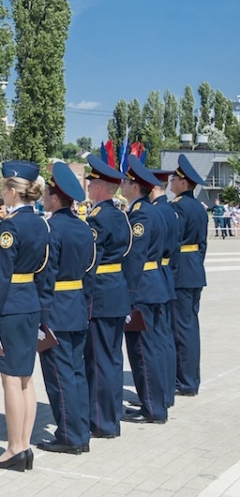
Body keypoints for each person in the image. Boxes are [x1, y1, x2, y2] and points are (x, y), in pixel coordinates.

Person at [0, 161, 49, 472]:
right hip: (31, 304)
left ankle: (15, 448)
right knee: (26, 378)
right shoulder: (41, 224)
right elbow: (46, 274)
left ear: (11, 191)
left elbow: (2, 277)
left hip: (11, 306)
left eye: (2, 189)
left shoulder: (10, 226)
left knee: (10, 379)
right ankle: (25, 445)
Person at [36, 162, 95, 455]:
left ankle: (69, 435)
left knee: (59, 378)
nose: (44, 197)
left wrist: (41, 316)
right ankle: (81, 431)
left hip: (56, 311)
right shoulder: (84, 228)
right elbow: (89, 270)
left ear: (55, 198)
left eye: (47, 193)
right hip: (77, 308)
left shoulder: (50, 229)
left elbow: (46, 274)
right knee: (77, 374)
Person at [82, 154, 132, 439]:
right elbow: (126, 254)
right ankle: (112, 416)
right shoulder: (121, 216)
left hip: (99, 294)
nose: (89, 189)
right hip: (117, 290)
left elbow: (90, 262)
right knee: (113, 358)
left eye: (91, 185)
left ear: (100, 188)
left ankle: (101, 422)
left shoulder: (98, 218)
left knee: (99, 360)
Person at [120, 155, 170, 424]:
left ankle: (152, 409)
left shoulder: (140, 215)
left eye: (127, 181)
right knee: (152, 349)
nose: (123, 184)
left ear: (136, 186)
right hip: (154, 285)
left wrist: (126, 297)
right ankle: (156, 404)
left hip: (142, 290)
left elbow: (135, 259)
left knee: (143, 352)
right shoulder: (153, 211)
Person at [169, 154, 208, 397]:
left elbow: (173, 244)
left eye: (174, 179)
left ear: (184, 183)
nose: (171, 182)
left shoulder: (178, 208)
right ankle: (190, 376)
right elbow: (202, 245)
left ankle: (185, 381)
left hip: (181, 272)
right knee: (190, 326)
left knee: (181, 329)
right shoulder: (200, 209)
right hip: (194, 269)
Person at [150, 168, 180, 410]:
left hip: (153, 275)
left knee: (156, 341)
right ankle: (167, 392)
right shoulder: (169, 210)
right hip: (166, 274)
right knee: (166, 338)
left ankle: (159, 396)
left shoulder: (156, 212)